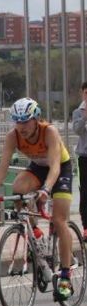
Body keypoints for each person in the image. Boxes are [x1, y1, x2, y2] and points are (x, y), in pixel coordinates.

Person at [0, 97, 74, 300]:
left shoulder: (49, 131)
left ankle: (66, 276)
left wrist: (46, 189)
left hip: (59, 170)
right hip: (37, 168)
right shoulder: (13, 136)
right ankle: (36, 233)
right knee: (17, 189)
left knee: (59, 220)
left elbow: (55, 167)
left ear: (36, 119)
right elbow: (2, 168)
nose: (21, 126)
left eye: (26, 121)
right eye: (17, 121)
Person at [71, 81, 87, 239]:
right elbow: (77, 130)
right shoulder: (78, 112)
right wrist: (85, 116)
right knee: (85, 191)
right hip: (84, 157)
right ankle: (86, 226)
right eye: (86, 93)